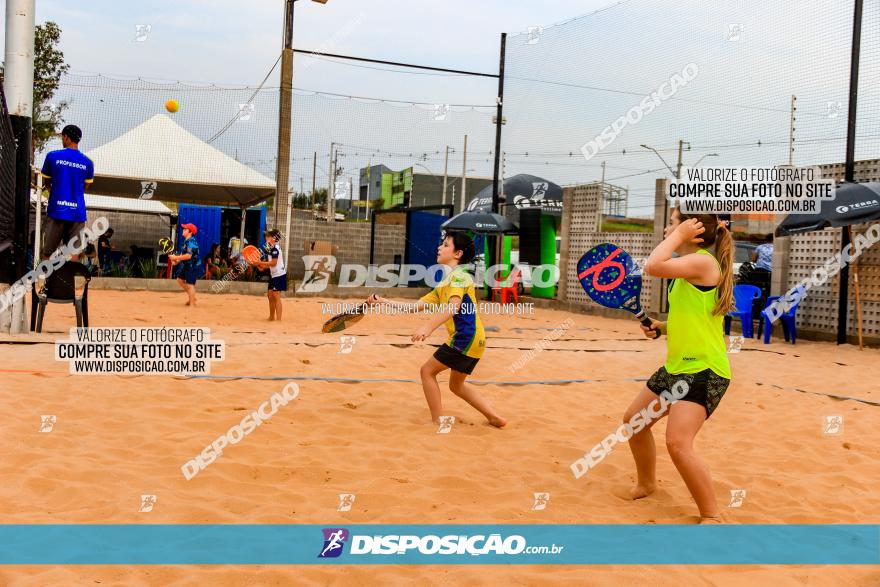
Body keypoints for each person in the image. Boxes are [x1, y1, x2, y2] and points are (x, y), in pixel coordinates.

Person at [627, 209, 734, 523]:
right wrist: (661, 326)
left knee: (677, 442)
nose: (666, 228)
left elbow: (652, 266)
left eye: (672, 222)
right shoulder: (688, 269)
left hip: (704, 370)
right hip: (677, 367)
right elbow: (692, 318)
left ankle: (711, 515)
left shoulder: (702, 261)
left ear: (693, 230)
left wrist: (679, 235)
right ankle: (647, 483)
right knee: (634, 421)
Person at [368, 232, 506, 428]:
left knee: (427, 371)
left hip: (465, 338)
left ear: (457, 253)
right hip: (473, 340)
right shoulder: (444, 283)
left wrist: (427, 328)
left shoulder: (459, 277)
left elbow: (453, 307)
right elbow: (413, 307)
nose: (440, 247)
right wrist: (382, 301)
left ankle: (438, 421)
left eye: (445, 244)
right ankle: (494, 417)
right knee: (456, 386)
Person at [39, 124, 94, 261]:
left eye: (62, 137)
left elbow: (47, 183)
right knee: (73, 253)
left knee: (48, 253)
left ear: (66, 137)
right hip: (77, 212)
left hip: (57, 210)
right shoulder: (88, 163)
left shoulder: (52, 156)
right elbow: (84, 188)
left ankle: (47, 281)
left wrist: (55, 192)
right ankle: (68, 282)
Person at [253, 229, 287, 321]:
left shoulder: (275, 249)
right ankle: (271, 317)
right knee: (270, 295)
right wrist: (263, 267)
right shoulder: (271, 248)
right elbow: (271, 264)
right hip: (274, 275)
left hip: (279, 275)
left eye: (268, 236)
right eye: (266, 236)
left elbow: (274, 263)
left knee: (276, 295)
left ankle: (279, 319)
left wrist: (260, 262)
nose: (266, 237)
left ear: (273, 238)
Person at [168, 223, 200, 306]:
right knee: (179, 280)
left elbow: (188, 256)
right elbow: (182, 255)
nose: (183, 230)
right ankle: (192, 296)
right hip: (187, 265)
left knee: (190, 284)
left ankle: (192, 304)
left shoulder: (191, 241)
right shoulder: (186, 241)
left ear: (190, 232)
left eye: (185, 229)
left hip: (193, 266)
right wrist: (176, 261)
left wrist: (175, 258)